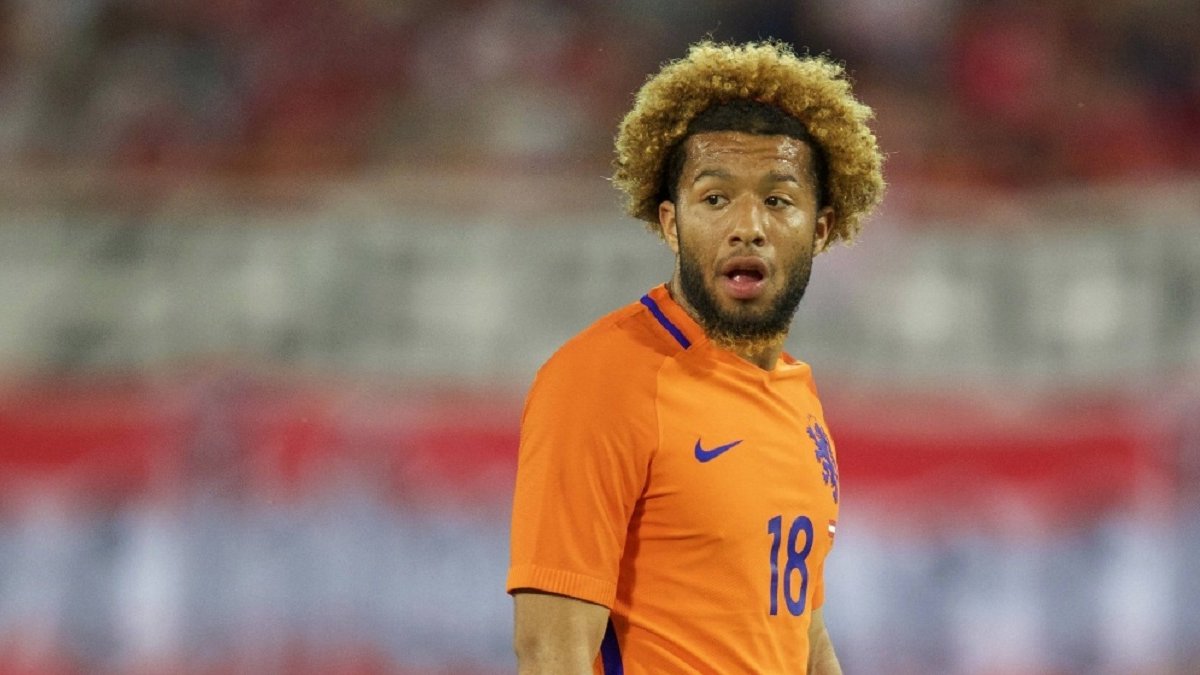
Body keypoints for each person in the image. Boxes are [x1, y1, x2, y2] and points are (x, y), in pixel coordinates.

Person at [506, 39, 885, 674]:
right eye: (715, 198)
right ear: (670, 223)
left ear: (820, 229)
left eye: (778, 200)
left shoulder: (799, 398)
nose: (748, 226)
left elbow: (804, 638)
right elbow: (551, 651)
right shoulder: (601, 380)